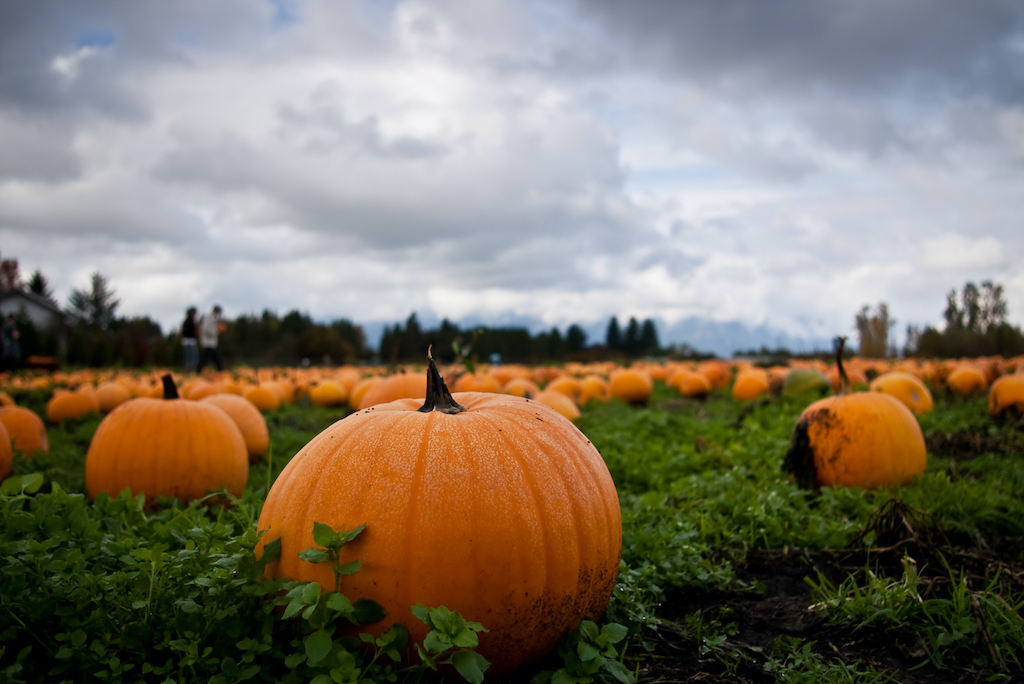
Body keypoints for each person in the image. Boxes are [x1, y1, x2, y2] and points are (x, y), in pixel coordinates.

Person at [197, 305, 224, 372]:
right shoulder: (208, 317)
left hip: (212, 342)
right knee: (207, 357)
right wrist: (215, 331)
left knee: (213, 357)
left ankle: (220, 370)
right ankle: (199, 369)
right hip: (208, 341)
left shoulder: (215, 318)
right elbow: (205, 329)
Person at [181, 307, 199, 373]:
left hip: (191, 341)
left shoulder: (191, 321)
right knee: (190, 357)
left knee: (192, 357)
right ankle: (189, 370)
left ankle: (191, 370)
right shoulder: (188, 322)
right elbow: (185, 332)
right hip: (188, 341)